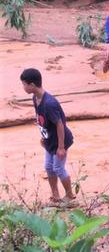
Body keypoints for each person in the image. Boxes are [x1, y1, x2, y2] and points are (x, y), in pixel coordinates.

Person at [20, 68, 75, 204]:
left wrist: (61, 147)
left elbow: (60, 124)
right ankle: (55, 195)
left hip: (60, 140)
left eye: (24, 84)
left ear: (32, 85)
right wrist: (44, 136)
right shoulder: (36, 98)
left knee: (58, 168)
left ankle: (70, 196)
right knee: (49, 167)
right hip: (50, 139)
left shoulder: (49, 103)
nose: (23, 87)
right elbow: (41, 117)